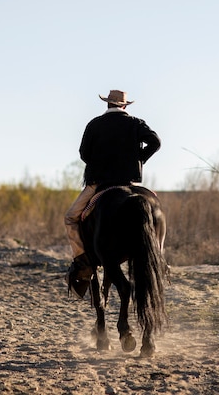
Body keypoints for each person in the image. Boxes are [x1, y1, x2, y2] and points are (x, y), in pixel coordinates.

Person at [64, 90, 161, 296]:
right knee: (156, 212)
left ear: (108, 104)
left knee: (71, 218)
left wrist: (101, 164)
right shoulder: (136, 123)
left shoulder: (94, 124)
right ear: (125, 106)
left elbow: (84, 154)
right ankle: (160, 258)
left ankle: (83, 262)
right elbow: (156, 142)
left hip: (99, 184)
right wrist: (139, 159)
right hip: (130, 181)